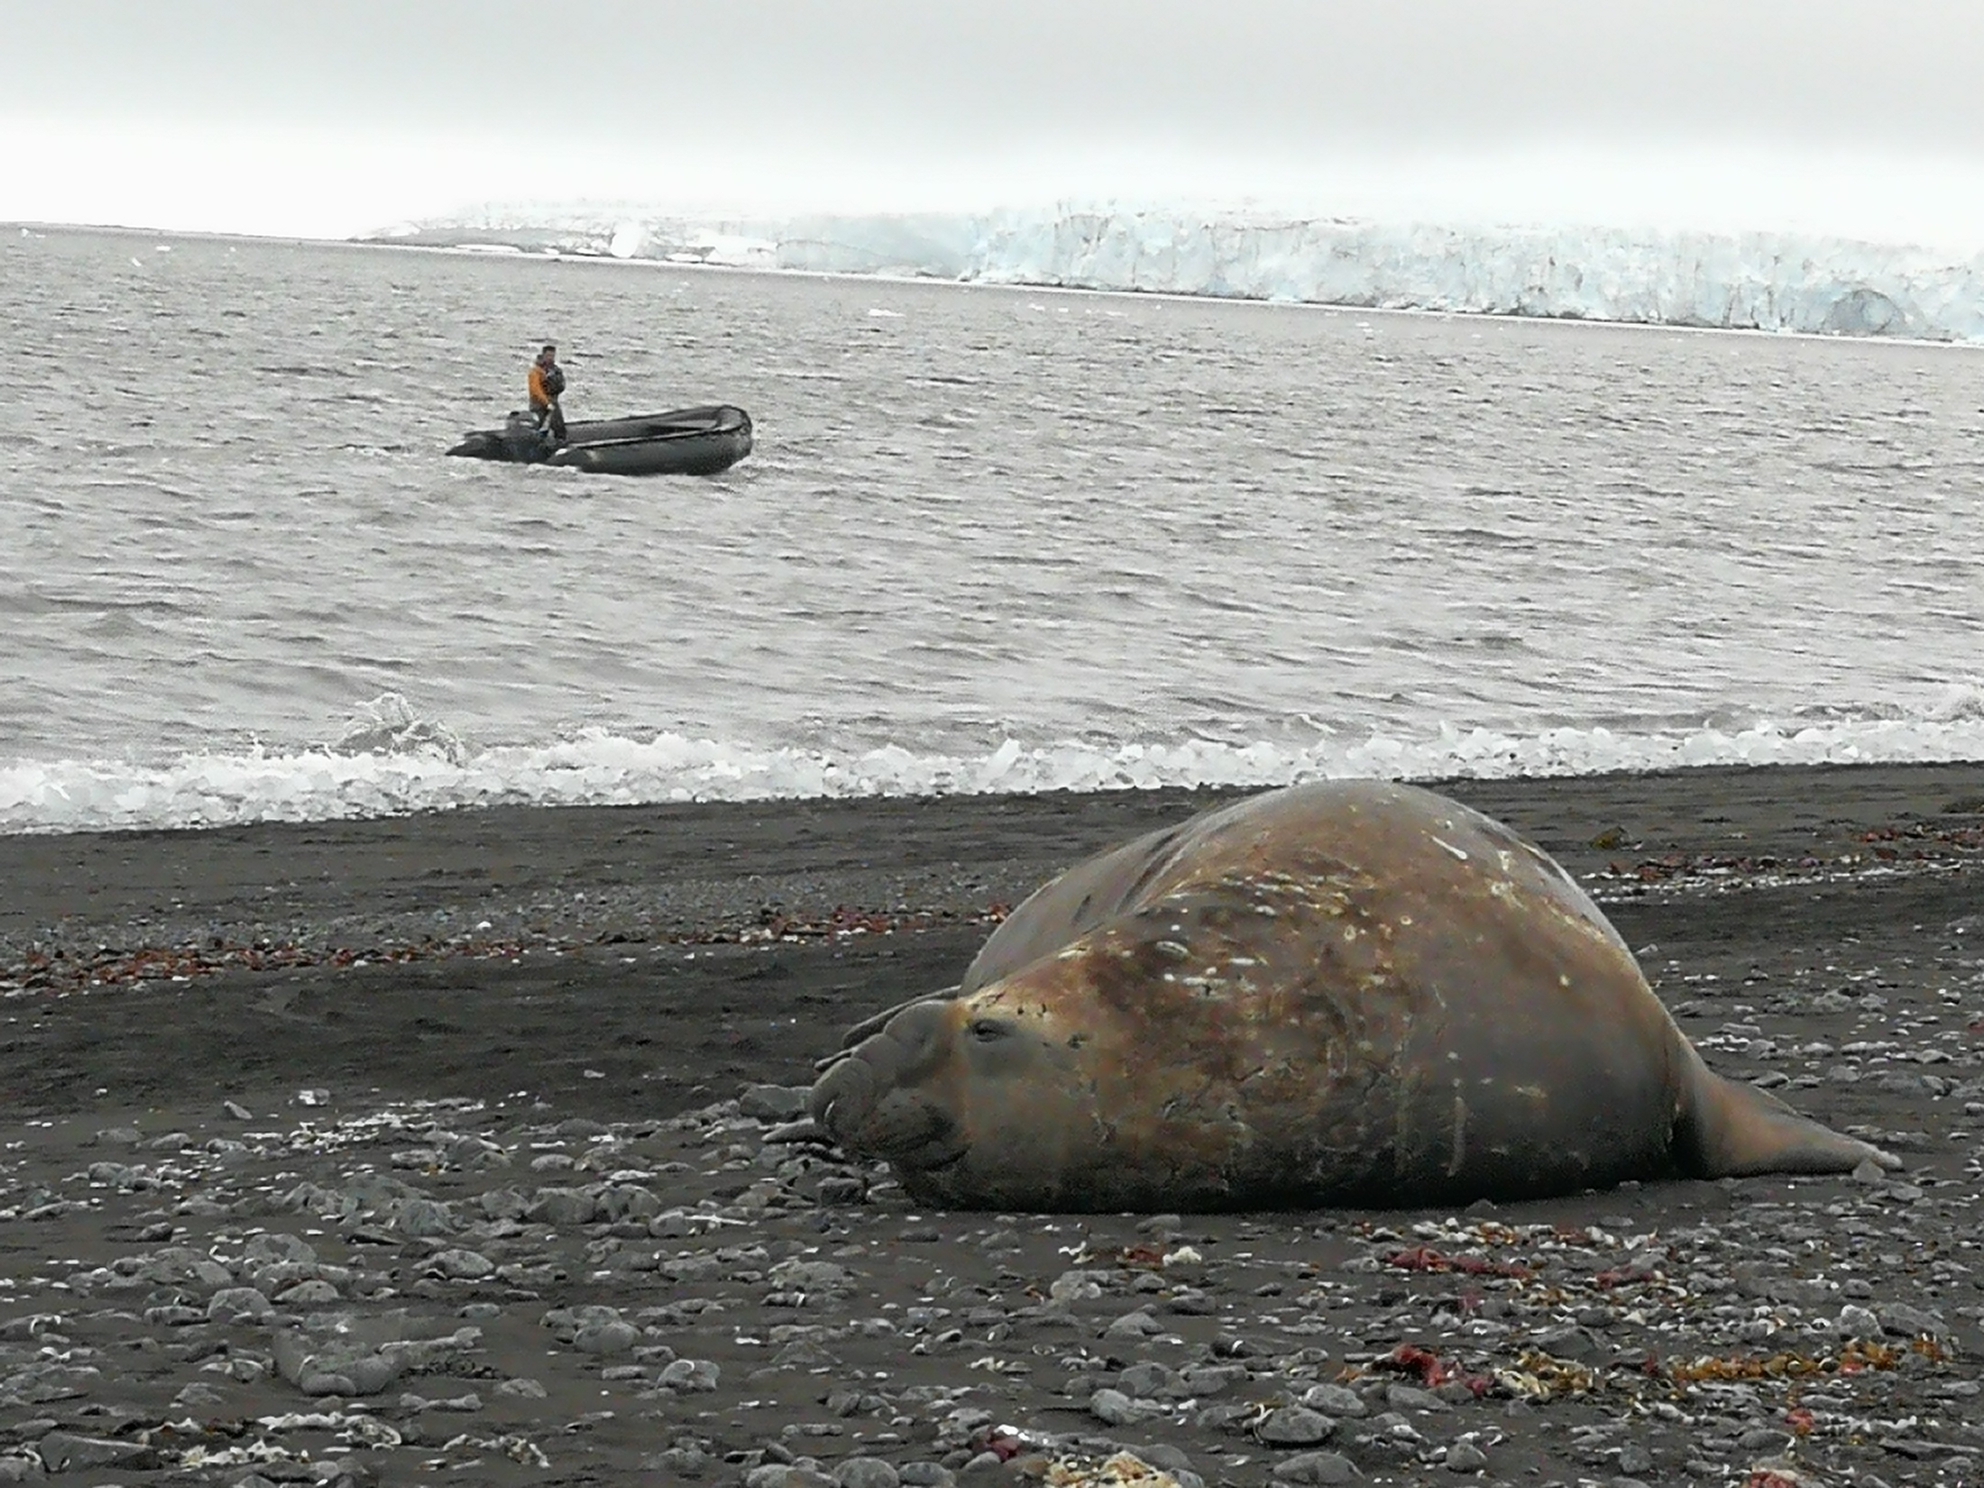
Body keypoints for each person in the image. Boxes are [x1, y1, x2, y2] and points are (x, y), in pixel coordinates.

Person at [527, 344, 567, 443]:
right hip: (539, 405)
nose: (550, 358)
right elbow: (535, 390)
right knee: (541, 427)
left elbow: (561, 385)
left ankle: (559, 443)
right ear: (543, 355)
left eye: (552, 356)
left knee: (559, 427)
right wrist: (546, 403)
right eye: (548, 356)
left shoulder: (556, 371)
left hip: (553, 404)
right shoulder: (536, 371)